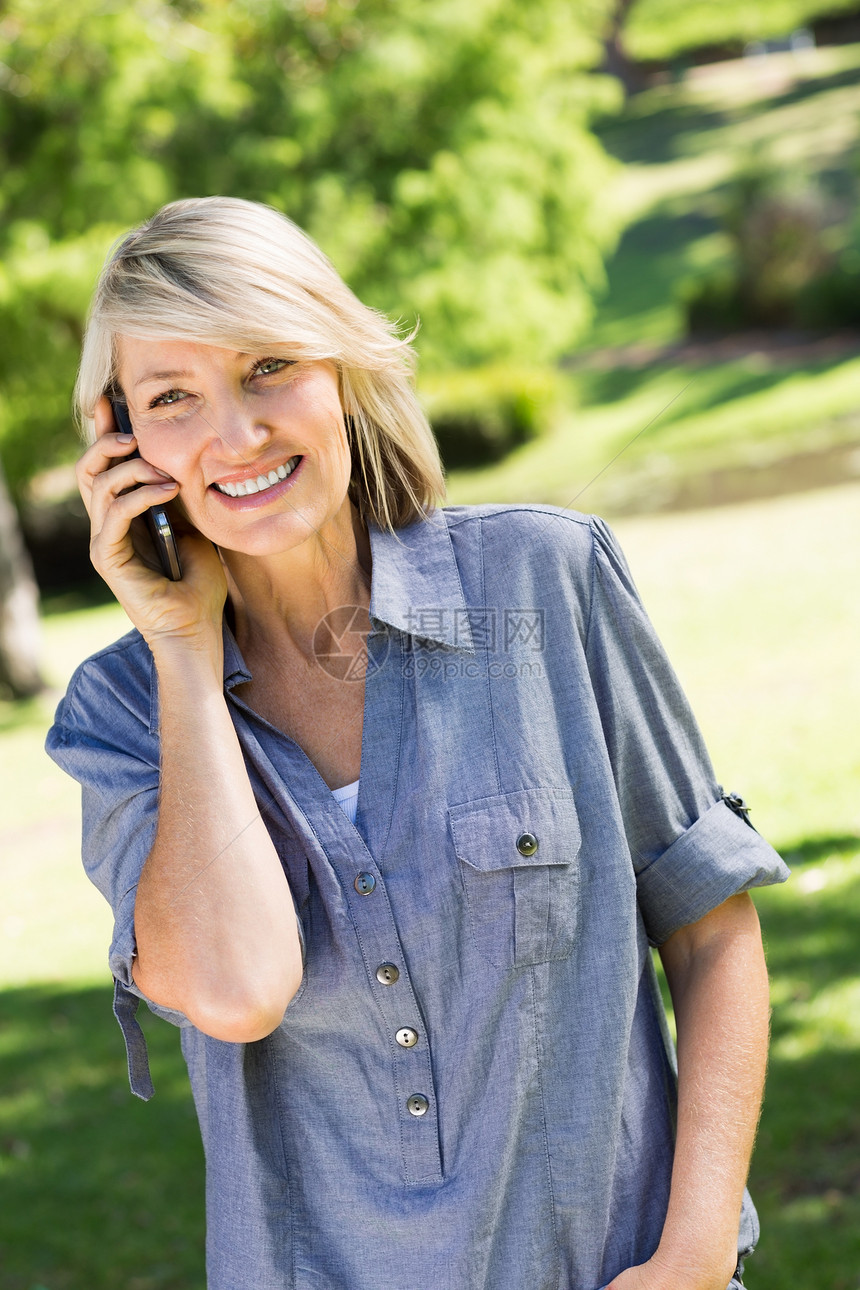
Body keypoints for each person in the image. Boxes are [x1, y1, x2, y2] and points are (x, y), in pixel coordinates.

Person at [46, 196, 788, 1290]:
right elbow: (238, 989)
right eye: (171, 398)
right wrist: (184, 653)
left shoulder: (545, 580)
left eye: (267, 368)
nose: (236, 436)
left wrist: (688, 1256)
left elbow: (711, 933)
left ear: (340, 367)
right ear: (123, 441)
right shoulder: (121, 716)